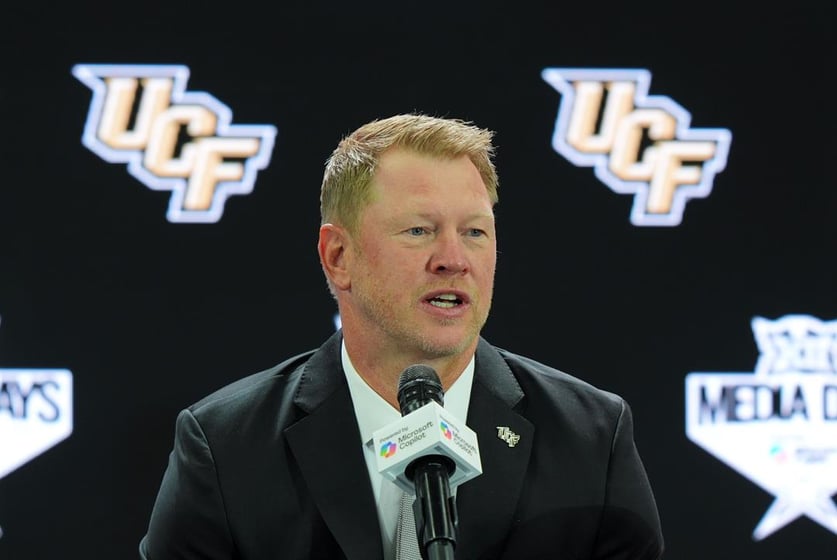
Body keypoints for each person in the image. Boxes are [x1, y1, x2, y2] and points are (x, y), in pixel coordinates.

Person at [139, 113, 664, 559]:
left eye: (475, 232)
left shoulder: (592, 439)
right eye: (419, 230)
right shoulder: (226, 448)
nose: (454, 260)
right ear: (338, 258)